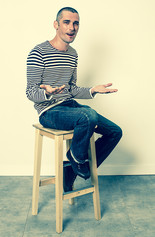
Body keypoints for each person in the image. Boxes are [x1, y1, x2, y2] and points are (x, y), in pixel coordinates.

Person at [26, 7, 122, 192]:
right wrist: (48, 93)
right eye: (67, 22)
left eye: (76, 23)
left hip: (70, 106)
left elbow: (72, 89)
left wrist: (93, 90)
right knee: (88, 115)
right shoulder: (38, 52)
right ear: (56, 24)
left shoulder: (72, 54)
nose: (72, 27)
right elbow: (30, 92)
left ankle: (71, 170)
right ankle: (76, 158)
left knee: (115, 132)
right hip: (49, 111)